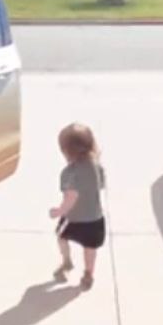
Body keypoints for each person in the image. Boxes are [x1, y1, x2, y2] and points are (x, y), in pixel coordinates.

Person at [49, 123, 106, 291]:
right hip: (95, 218)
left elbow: (70, 197)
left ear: (67, 152)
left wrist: (59, 211)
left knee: (61, 237)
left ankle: (67, 262)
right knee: (90, 248)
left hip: (73, 219)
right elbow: (100, 185)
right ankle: (88, 274)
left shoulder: (69, 173)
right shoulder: (98, 167)